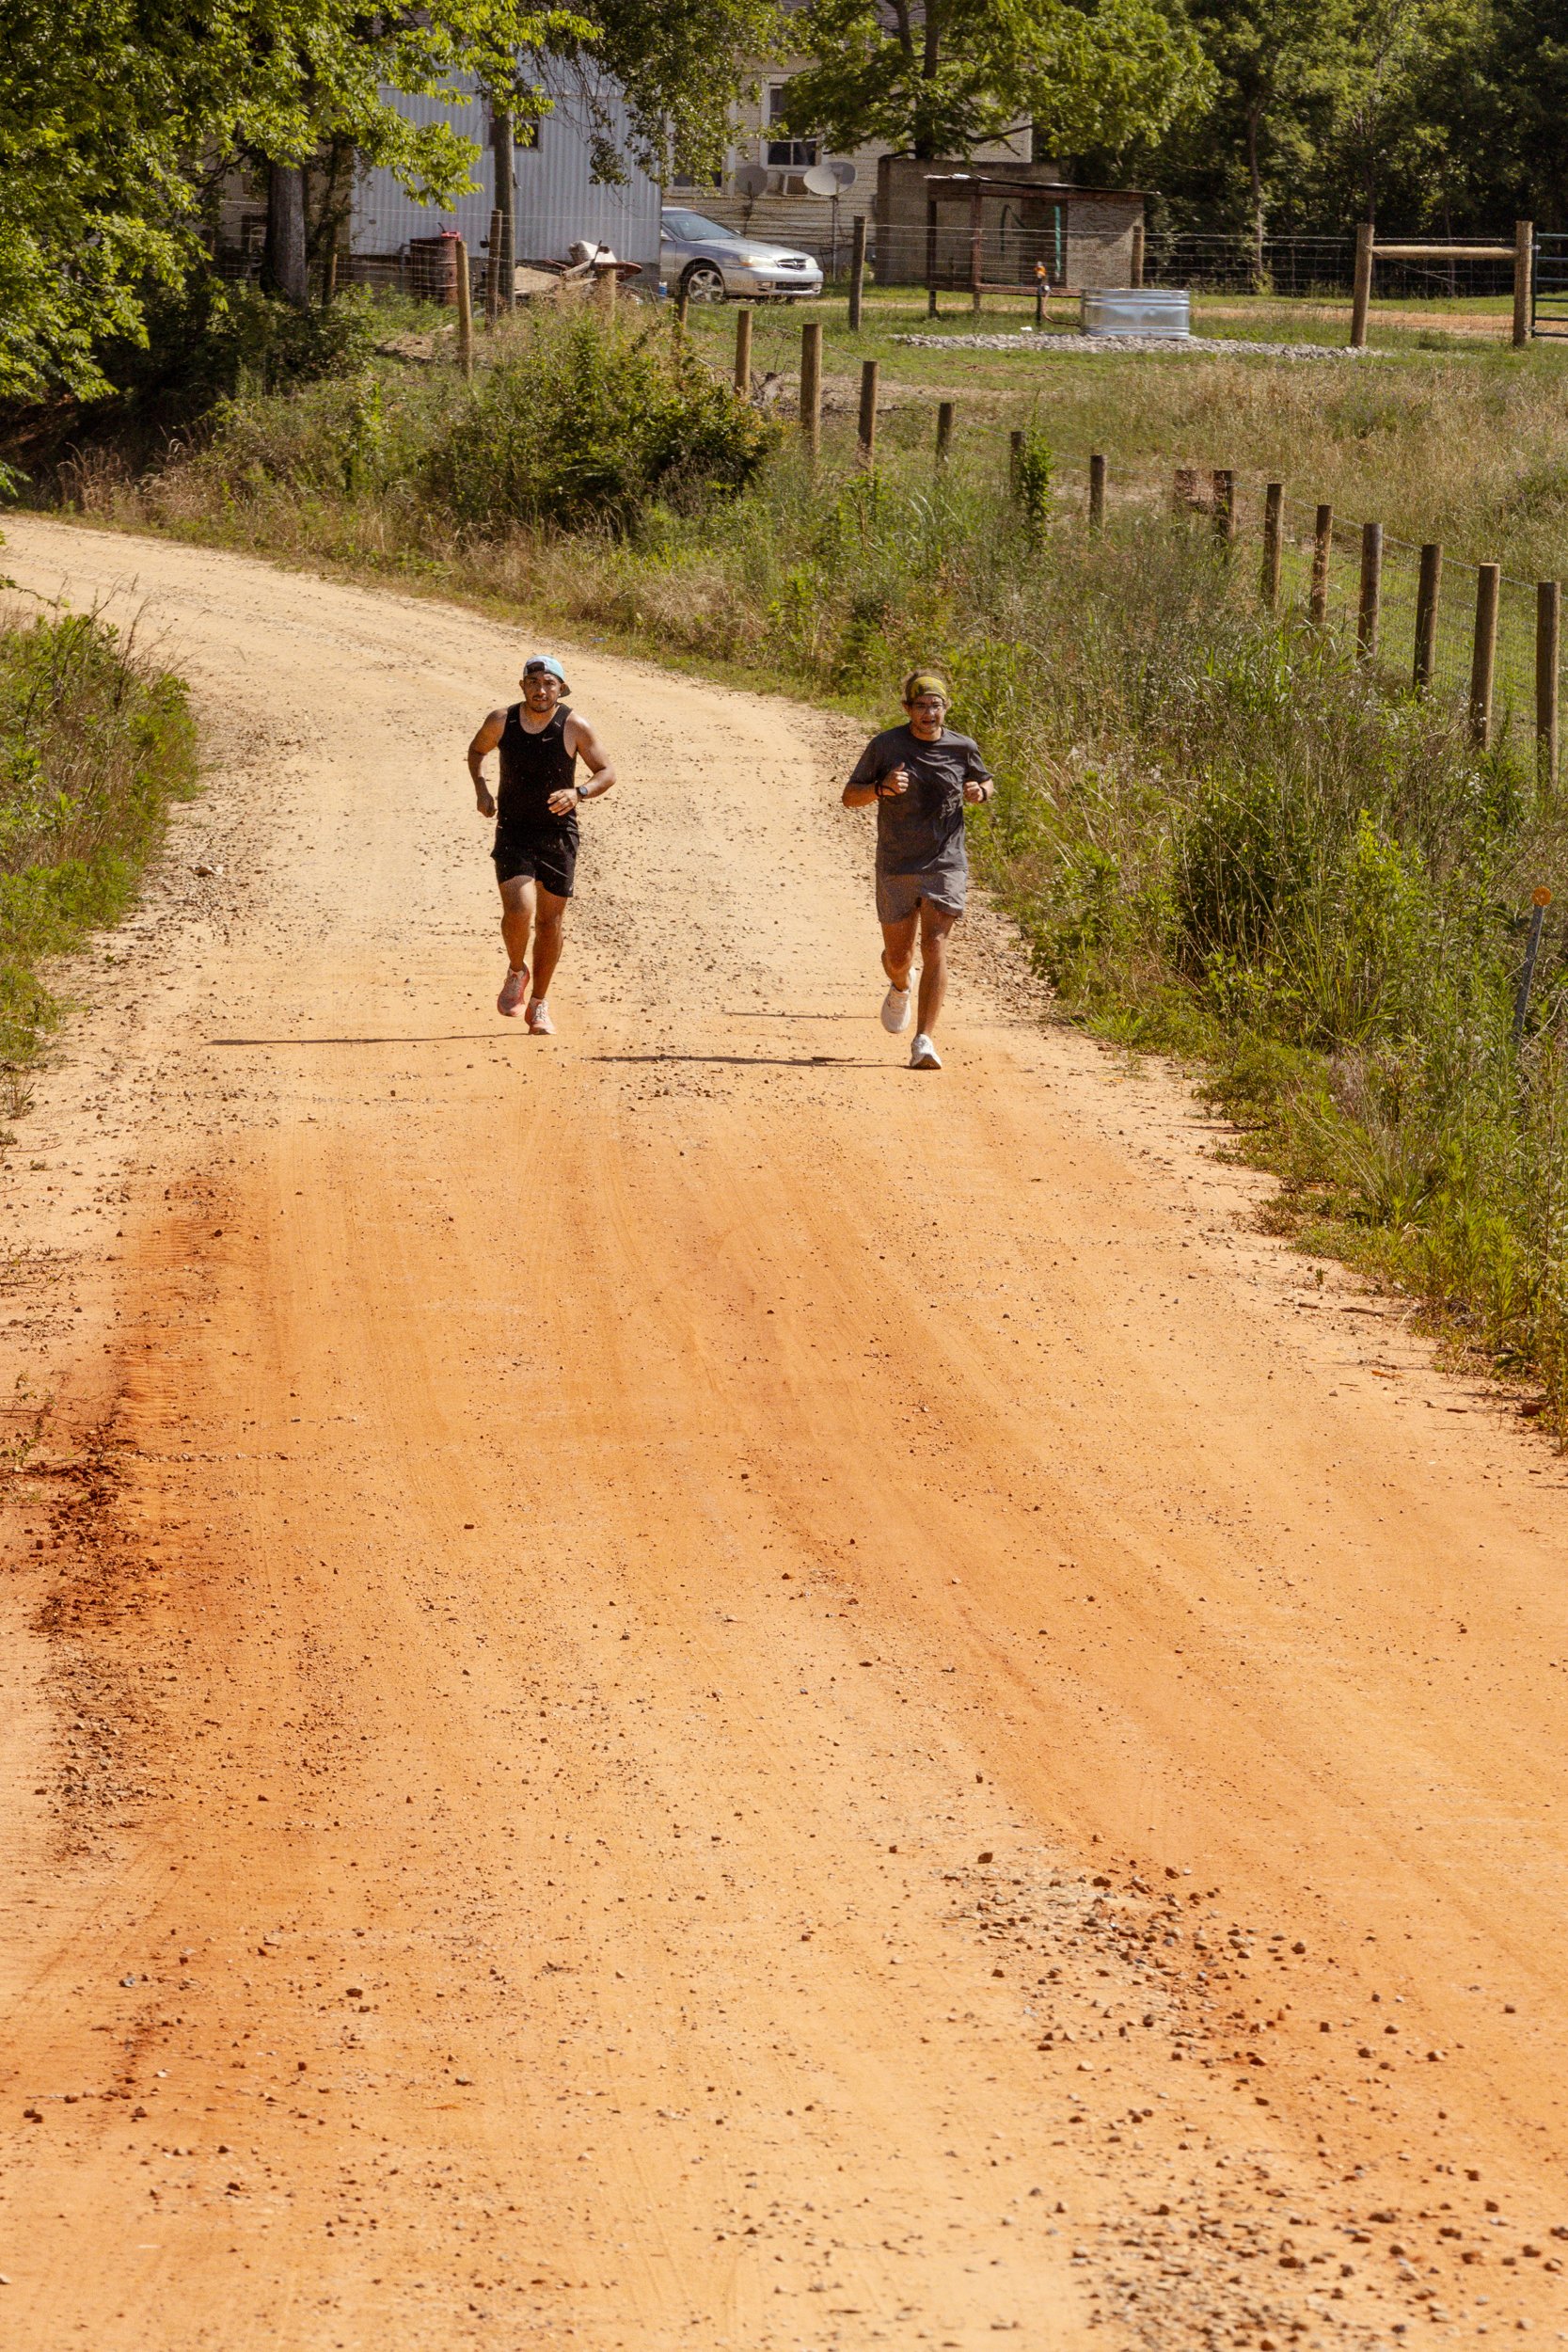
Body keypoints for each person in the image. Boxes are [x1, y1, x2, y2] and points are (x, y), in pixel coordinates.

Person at [841, 672, 995, 1070]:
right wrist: (882, 788)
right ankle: (899, 984)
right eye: (921, 705)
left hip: (946, 861)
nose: (929, 713)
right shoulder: (886, 746)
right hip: (896, 862)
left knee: (935, 946)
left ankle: (923, 1040)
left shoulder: (962, 747)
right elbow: (849, 797)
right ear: (907, 709)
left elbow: (984, 781)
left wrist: (980, 792)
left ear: (947, 707)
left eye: (936, 705)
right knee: (899, 955)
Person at [467, 655, 616, 1032]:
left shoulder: (574, 725)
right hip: (514, 830)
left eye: (549, 683)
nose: (540, 689)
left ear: (560, 688)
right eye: (533, 682)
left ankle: (539, 1004)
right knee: (519, 910)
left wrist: (579, 792)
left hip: (558, 835)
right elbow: (477, 751)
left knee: (550, 923)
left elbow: (607, 772)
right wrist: (482, 789)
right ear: (522, 687)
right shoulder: (502, 721)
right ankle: (517, 971)